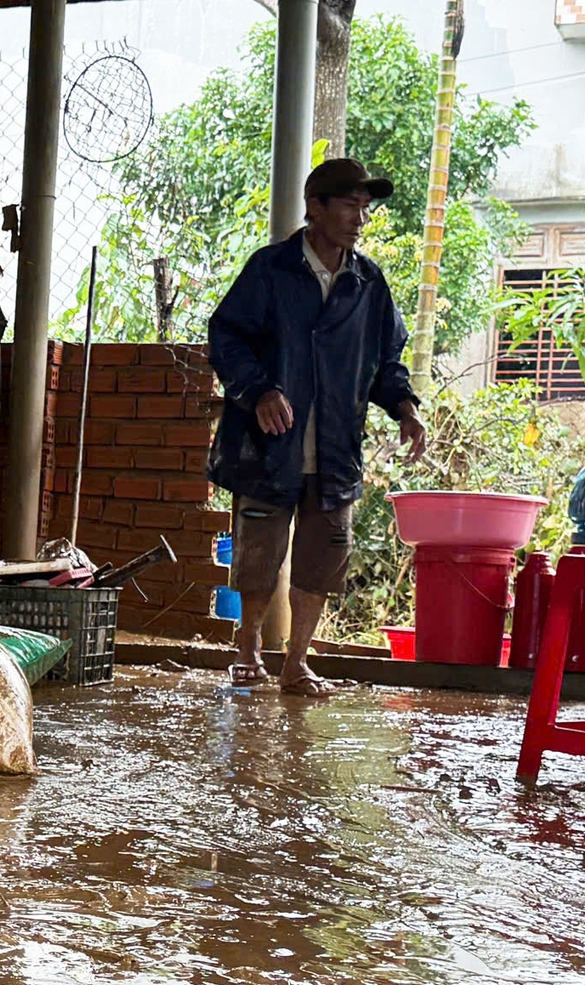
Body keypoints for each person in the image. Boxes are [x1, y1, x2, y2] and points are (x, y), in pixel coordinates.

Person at [207, 158, 427, 696]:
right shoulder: (270, 270)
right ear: (315, 208)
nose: (360, 218)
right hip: (268, 446)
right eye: (350, 205)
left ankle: (296, 663)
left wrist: (405, 407)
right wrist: (258, 390)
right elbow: (226, 337)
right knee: (258, 555)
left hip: (335, 449)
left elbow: (385, 361)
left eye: (364, 208)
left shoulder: (368, 282)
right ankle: (248, 651)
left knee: (322, 557)